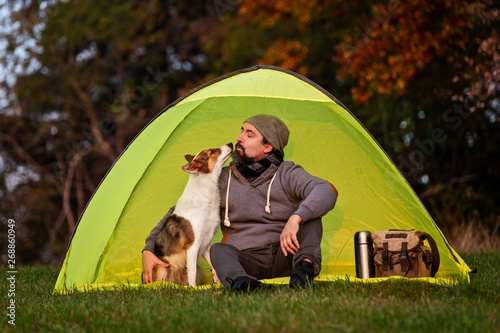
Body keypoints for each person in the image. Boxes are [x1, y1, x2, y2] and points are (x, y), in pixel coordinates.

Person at [142, 114, 338, 291]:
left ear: (267, 146)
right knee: (218, 249)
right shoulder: (221, 178)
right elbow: (179, 214)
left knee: (310, 217)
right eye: (241, 131)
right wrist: (149, 249)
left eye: (249, 134)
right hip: (244, 261)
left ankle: (303, 275)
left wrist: (296, 217)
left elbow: (327, 190)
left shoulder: (287, 173)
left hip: (285, 255)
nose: (239, 137)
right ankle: (242, 284)